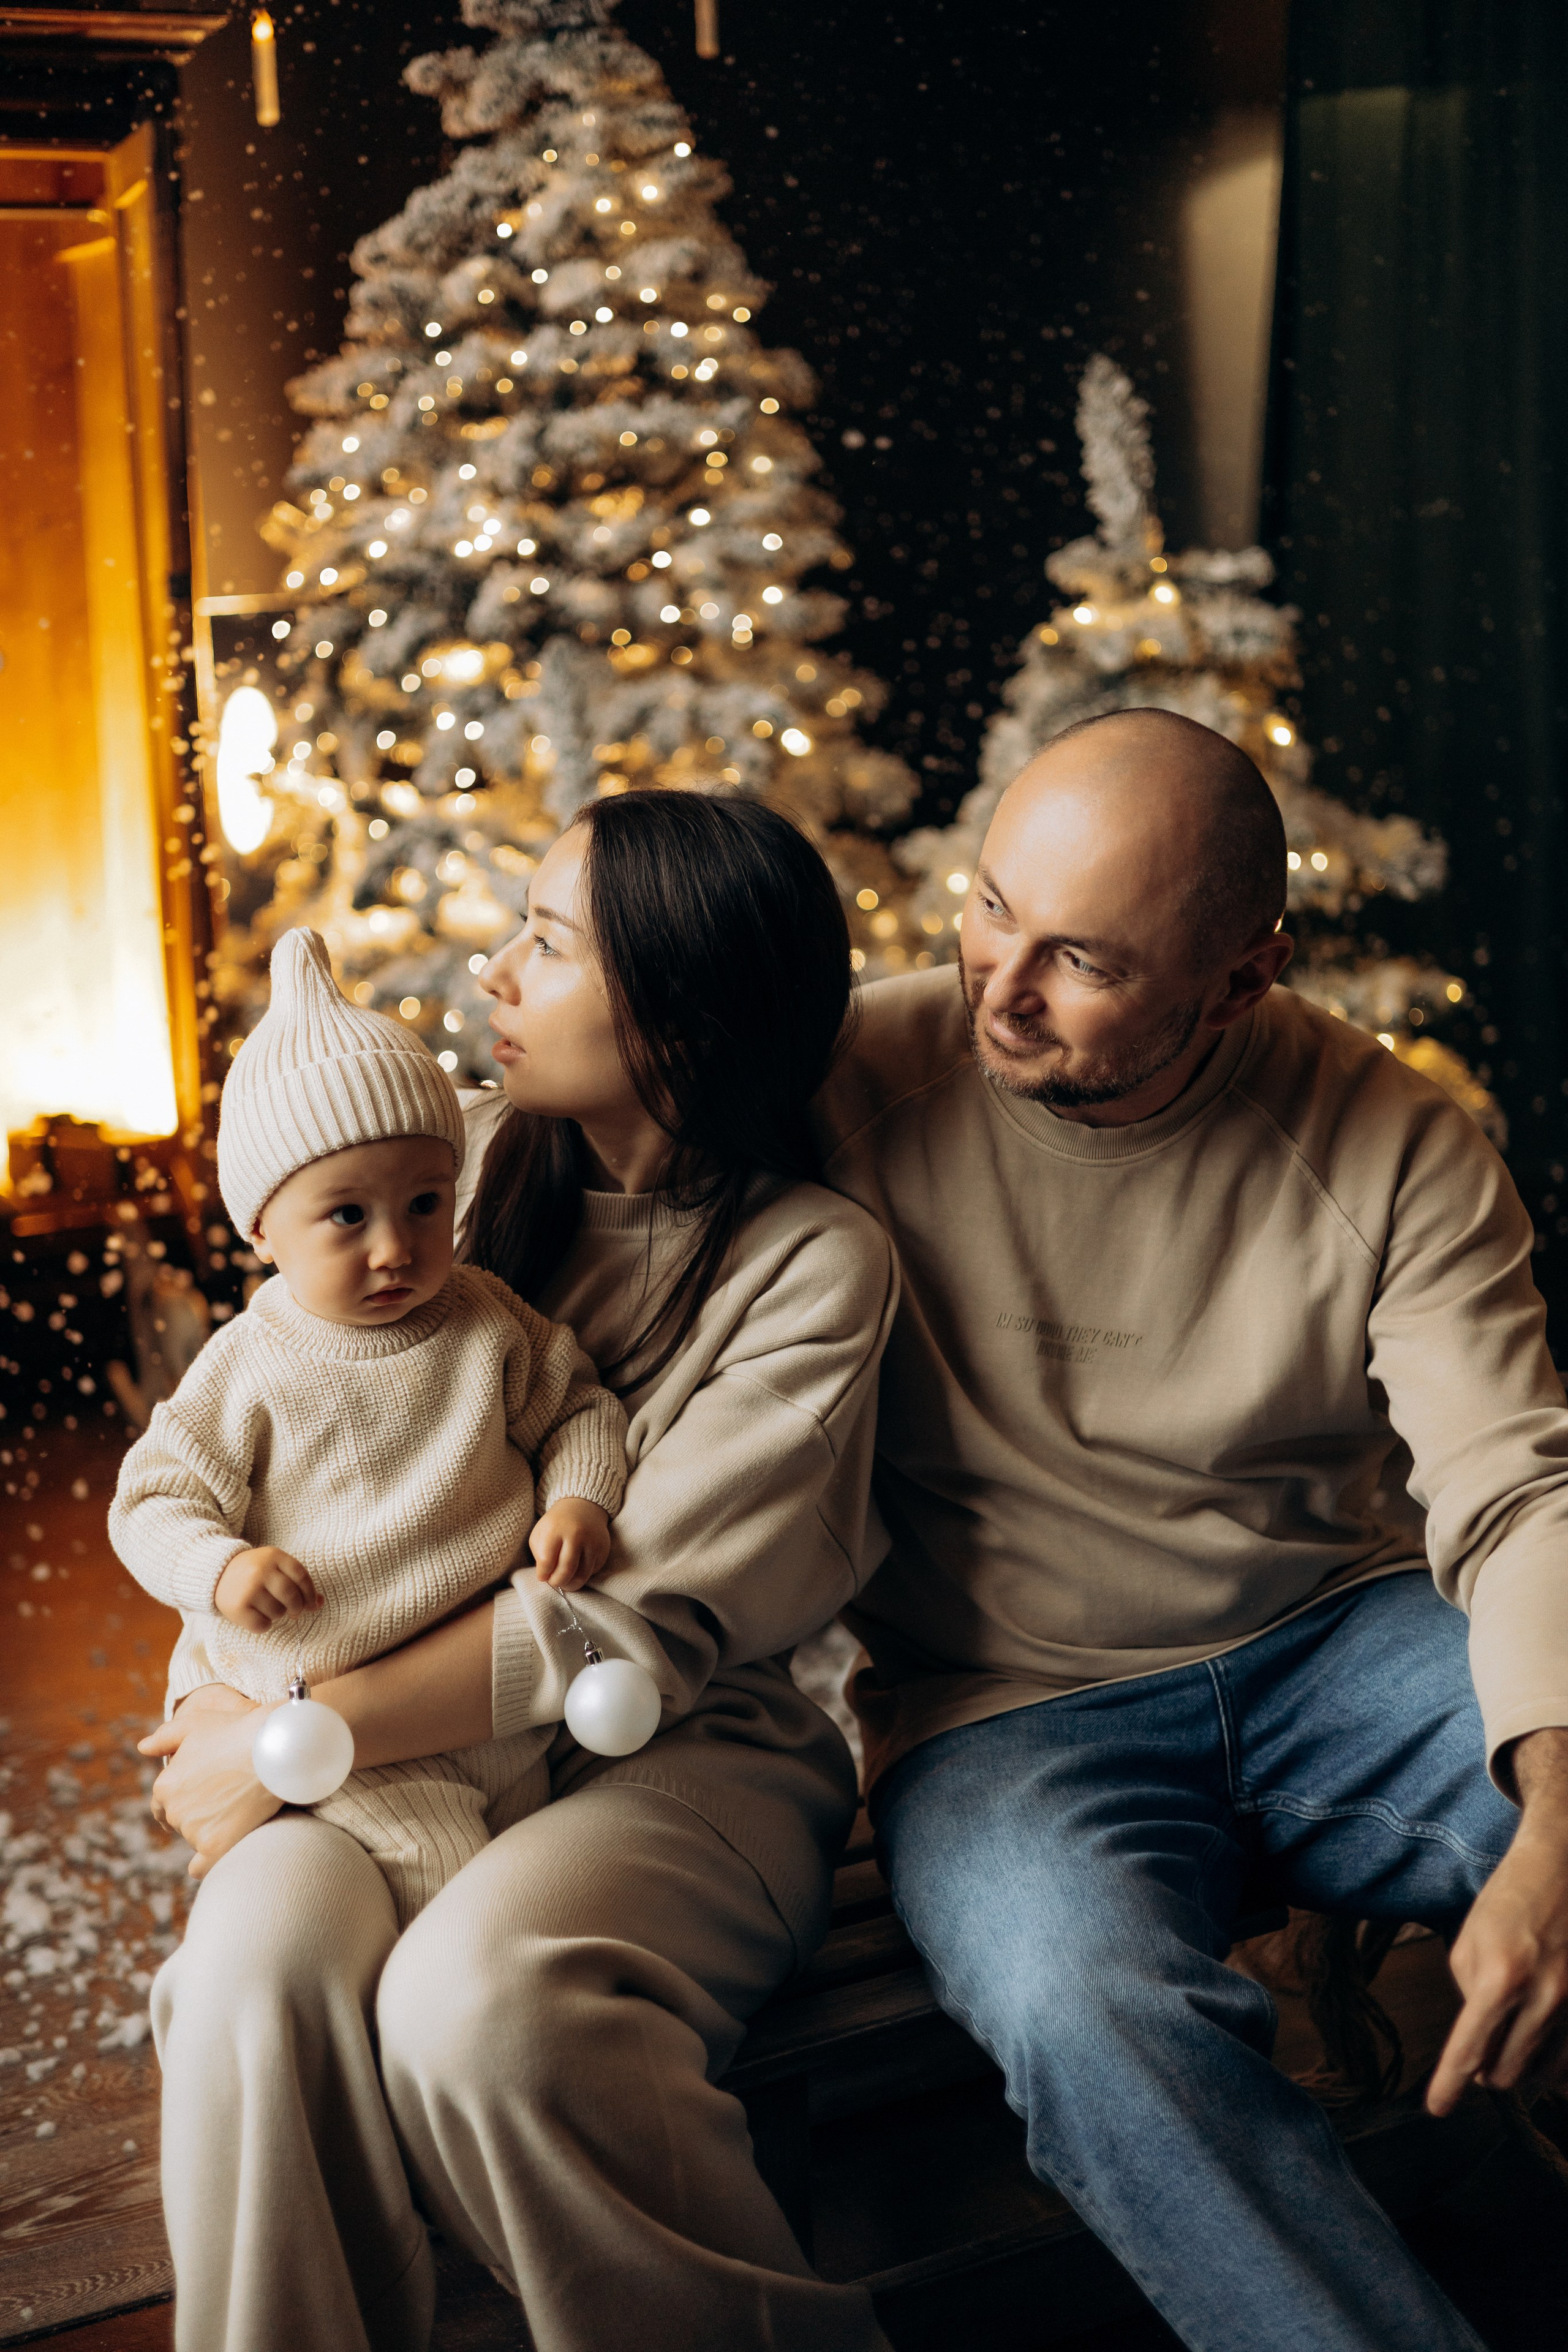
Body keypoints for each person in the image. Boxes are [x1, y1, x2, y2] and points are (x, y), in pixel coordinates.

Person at [816, 707, 1568, 2352]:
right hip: (1006, 1715)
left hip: (1339, 1646)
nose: (998, 986)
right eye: (992, 904)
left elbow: (1520, 1498)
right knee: (1084, 2013)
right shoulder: (847, 1081)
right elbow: (562, 1190)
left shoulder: (1393, 1141)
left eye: (1080, 957)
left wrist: (1557, 1817)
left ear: (1243, 978)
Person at [140, 793, 898, 2352]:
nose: (494, 967)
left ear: (678, 1012)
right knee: (250, 1982)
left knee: (473, 2009)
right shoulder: (448, 1165)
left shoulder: (814, 1263)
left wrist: (290, 1732)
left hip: (671, 1758)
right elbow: (264, 1441)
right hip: (372, 1762)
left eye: (546, 941)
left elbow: (619, 1627)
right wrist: (230, 1701)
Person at [111, 926, 627, 1928]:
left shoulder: (487, 1321)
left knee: (540, 1860)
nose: (395, 1249)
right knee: (451, 1892)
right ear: (262, 1230)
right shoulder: (251, 1365)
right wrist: (219, 1568)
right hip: (327, 1710)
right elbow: (152, 1499)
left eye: (425, 1204)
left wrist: (579, 1494)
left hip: (480, 1704)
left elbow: (579, 1408)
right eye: (347, 1217)